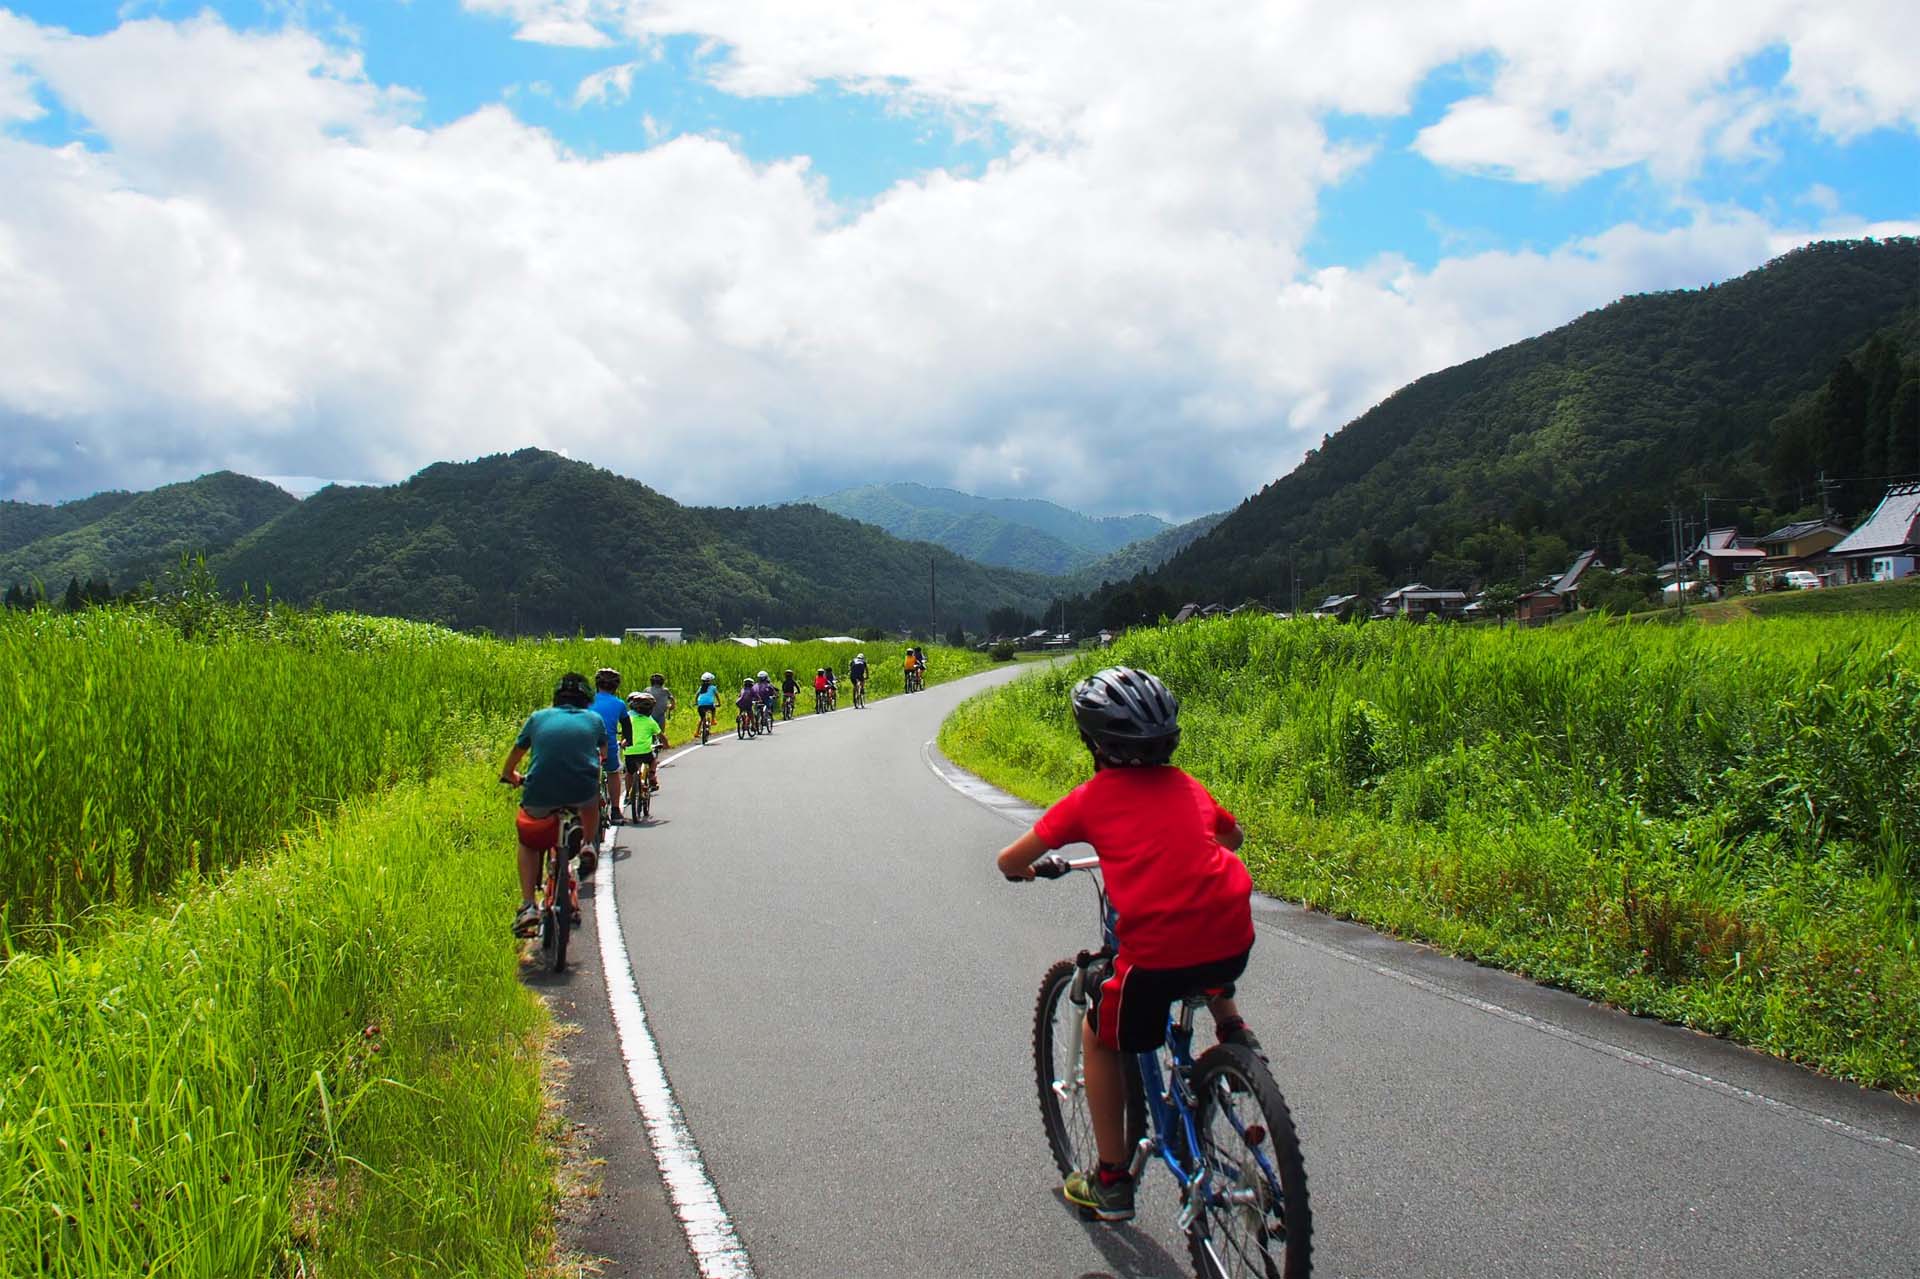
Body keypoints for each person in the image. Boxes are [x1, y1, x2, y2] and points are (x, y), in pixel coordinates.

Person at [994, 666, 1259, 1223]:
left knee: (1101, 1037)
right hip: (1232, 937)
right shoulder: (1189, 787)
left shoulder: (1091, 800)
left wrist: (1027, 872)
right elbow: (1231, 838)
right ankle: (1233, 1028)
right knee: (1201, 929)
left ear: (1093, 741)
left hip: (1155, 957)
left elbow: (1008, 860)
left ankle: (1112, 1182)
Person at [500, 673, 604, 936]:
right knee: (591, 798)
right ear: (586, 699)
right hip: (581, 791)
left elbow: (515, 755)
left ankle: (527, 906)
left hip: (540, 790)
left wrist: (510, 775)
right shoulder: (594, 719)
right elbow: (602, 753)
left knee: (529, 841)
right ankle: (589, 844)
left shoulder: (538, 718)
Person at [590, 668, 629, 825]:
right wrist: (628, 740)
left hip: (585, 744)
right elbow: (626, 726)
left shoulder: (587, 701)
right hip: (609, 745)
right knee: (613, 773)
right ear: (616, 687)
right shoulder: (619, 704)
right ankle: (615, 810)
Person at [623, 690, 665, 804]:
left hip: (629, 752)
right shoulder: (649, 721)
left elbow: (624, 734)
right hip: (645, 751)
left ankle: (627, 794)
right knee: (653, 760)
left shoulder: (628, 718)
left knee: (629, 773)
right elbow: (661, 735)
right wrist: (666, 745)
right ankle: (651, 776)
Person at [646, 672, 675, 759]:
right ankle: (660, 746)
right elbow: (672, 699)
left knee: (649, 734)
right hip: (660, 715)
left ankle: (650, 749)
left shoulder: (647, 690)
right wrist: (672, 706)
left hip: (649, 715)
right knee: (660, 732)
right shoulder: (665, 690)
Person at [694, 672, 720, 737]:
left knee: (702, 719)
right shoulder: (713, 687)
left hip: (701, 705)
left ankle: (697, 732)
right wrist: (719, 703)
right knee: (713, 709)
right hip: (710, 704)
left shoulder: (701, 688)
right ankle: (713, 720)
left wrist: (696, 702)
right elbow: (717, 695)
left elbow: (697, 695)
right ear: (710, 681)